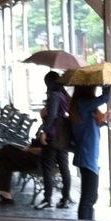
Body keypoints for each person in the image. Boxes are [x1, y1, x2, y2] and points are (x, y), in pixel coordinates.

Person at [69, 84, 109, 221]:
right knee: (88, 198)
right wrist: (107, 86)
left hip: (89, 156)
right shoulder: (82, 104)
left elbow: (90, 127)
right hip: (88, 157)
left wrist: (102, 120)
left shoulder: (83, 105)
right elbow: (105, 98)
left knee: (91, 197)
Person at [37, 71, 72, 211]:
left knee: (47, 167)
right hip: (63, 136)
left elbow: (51, 115)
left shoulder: (54, 96)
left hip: (53, 135)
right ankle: (65, 198)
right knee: (64, 167)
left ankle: (47, 199)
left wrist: (44, 132)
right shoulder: (63, 95)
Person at [0, 142, 43, 206]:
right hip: (32, 157)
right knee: (5, 162)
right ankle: (6, 196)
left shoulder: (48, 137)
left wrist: (29, 149)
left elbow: (43, 150)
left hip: (37, 163)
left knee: (7, 148)